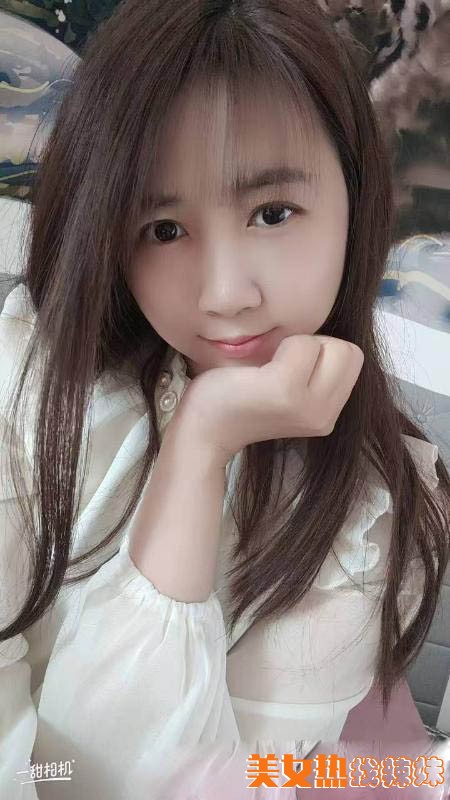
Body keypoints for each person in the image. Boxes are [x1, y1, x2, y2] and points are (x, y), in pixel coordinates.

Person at [0, 1, 449, 798]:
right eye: (164, 229)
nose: (225, 295)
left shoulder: (374, 510)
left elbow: (187, 783)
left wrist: (201, 448)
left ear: (355, 197)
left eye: (272, 213)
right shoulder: (23, 390)